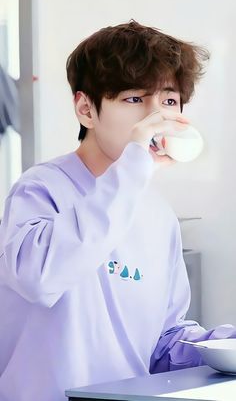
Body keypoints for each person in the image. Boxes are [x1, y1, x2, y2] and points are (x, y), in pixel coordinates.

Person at [0, 20, 235, 401]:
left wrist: (222, 344)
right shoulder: (39, 189)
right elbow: (39, 278)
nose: (156, 117)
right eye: (134, 98)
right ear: (85, 109)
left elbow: (162, 344)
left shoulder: (158, 216)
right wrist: (133, 169)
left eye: (169, 101)